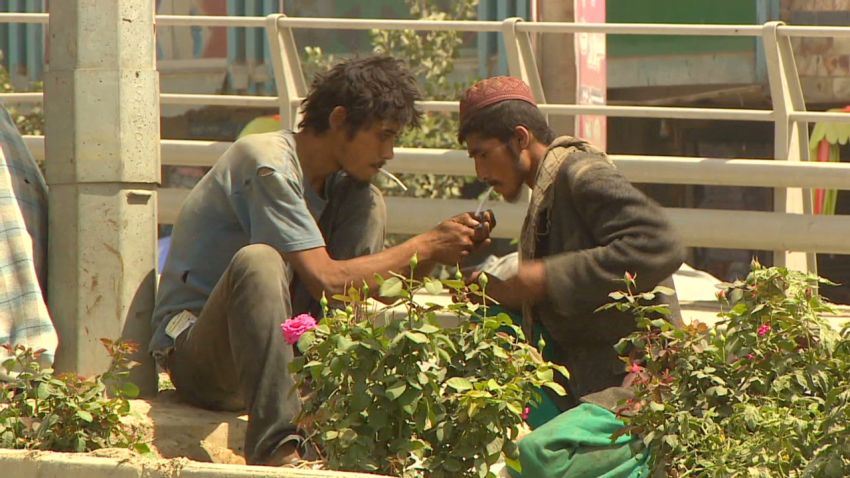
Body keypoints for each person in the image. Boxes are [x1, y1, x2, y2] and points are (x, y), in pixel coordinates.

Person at [150, 55, 493, 466]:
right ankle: (276, 447)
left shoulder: (345, 190)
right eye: (382, 135)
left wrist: (441, 251)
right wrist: (426, 244)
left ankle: (331, 409)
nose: (389, 153)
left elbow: (364, 292)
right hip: (200, 360)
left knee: (367, 202)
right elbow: (327, 281)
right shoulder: (267, 163)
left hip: (276, 357)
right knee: (259, 261)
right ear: (338, 119)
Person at [457, 76, 685, 477]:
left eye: (483, 154)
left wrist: (546, 276)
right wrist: (483, 286)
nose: (480, 171)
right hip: (582, 377)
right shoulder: (545, 194)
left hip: (637, 383)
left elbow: (660, 242)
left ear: (520, 138)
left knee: (538, 457)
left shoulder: (581, 172)